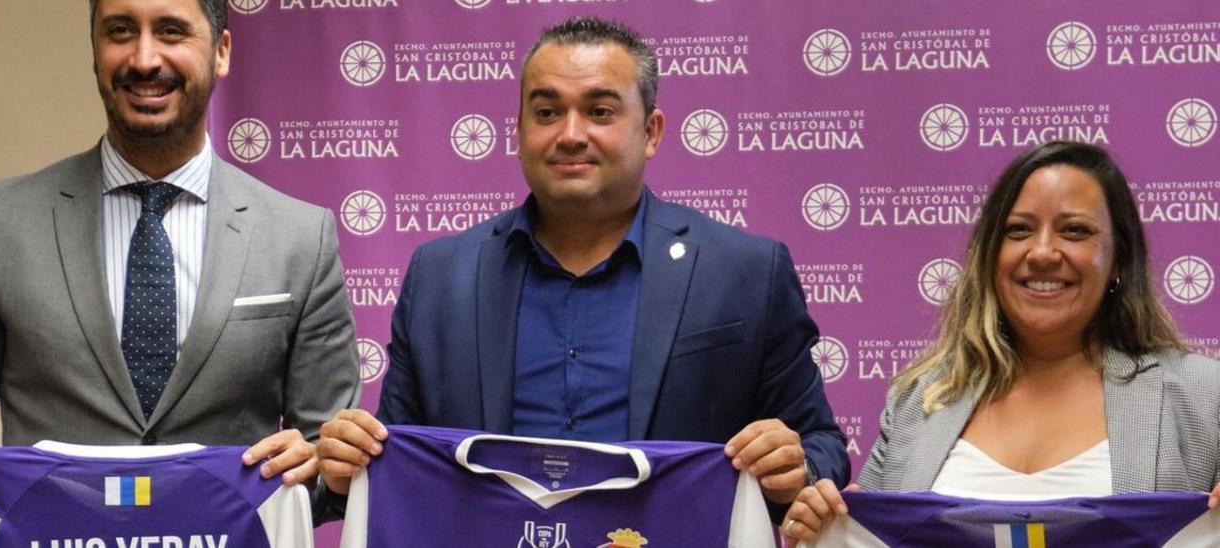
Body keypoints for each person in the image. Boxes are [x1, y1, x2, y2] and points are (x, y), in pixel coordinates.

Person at [316, 16, 848, 521]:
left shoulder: (746, 272)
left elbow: (821, 447)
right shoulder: (441, 277)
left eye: (600, 111)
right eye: (546, 113)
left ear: (652, 130)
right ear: (519, 131)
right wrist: (348, 463)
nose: (570, 134)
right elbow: (398, 456)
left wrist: (795, 465)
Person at [0, 0, 359, 507]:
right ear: (95, 50)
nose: (143, 59)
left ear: (221, 52)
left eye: (171, 31)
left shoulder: (300, 236)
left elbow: (329, 461)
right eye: (120, 31)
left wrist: (322, 472)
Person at [782, 141, 1220, 543]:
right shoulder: (921, 399)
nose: (1043, 252)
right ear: (990, 253)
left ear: (1119, 258)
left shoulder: (1205, 395)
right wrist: (821, 526)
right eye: (1018, 230)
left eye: (1074, 231)